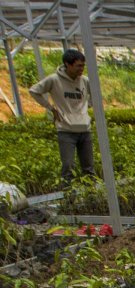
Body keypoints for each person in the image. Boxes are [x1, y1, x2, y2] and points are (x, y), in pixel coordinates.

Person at [29, 49, 95, 187]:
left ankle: (93, 198)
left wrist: (85, 108)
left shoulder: (85, 81)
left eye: (83, 66)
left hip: (85, 129)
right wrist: (51, 108)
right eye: (78, 66)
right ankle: (68, 201)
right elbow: (34, 91)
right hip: (66, 130)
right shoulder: (54, 80)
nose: (81, 69)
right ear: (67, 64)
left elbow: (96, 96)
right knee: (68, 167)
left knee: (88, 168)